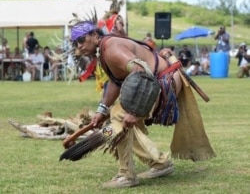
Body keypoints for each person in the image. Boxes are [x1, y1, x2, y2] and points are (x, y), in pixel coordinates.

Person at [69, 21, 216, 189]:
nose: (79, 46)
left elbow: (140, 69)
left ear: (95, 36)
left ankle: (127, 175)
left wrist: (133, 110)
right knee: (117, 123)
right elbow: (116, 82)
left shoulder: (110, 48)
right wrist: (101, 110)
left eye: (81, 40)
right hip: (158, 81)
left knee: (119, 115)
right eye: (76, 43)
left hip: (161, 83)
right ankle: (159, 163)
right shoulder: (105, 49)